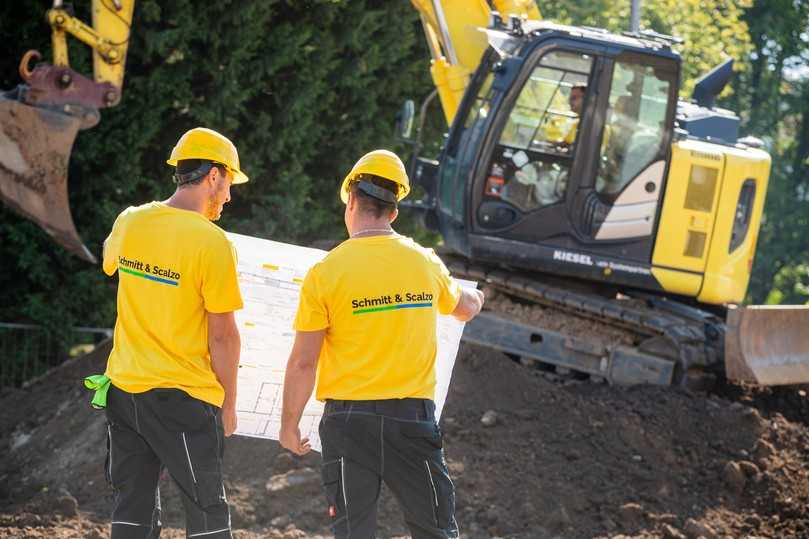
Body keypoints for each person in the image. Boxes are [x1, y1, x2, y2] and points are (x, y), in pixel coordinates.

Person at [280, 149, 484, 539]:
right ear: (394, 210)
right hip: (412, 420)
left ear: (351, 200)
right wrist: (479, 299)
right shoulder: (425, 262)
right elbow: (463, 307)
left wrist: (289, 426)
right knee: (436, 530)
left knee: (352, 532)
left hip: (347, 424)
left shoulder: (326, 272)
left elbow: (303, 362)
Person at [100, 127, 248, 538]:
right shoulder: (211, 242)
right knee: (207, 511)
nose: (230, 196)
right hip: (182, 397)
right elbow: (223, 336)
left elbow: (110, 262)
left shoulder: (131, 221)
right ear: (214, 176)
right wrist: (229, 404)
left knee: (133, 509)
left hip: (124, 392)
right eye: (230, 183)